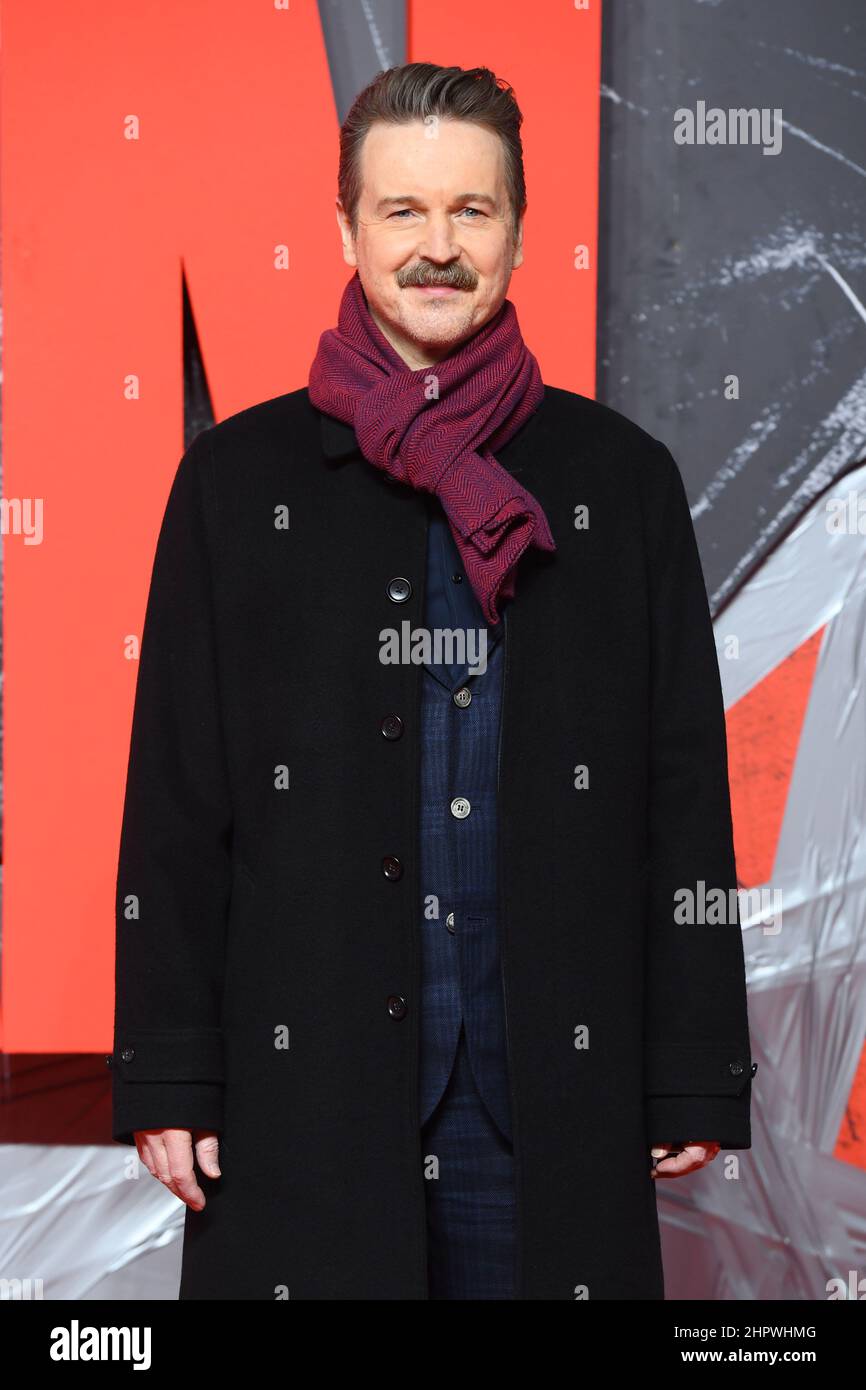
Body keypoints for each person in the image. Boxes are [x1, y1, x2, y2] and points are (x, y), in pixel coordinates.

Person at [109, 62, 756, 1300]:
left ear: (518, 231)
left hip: (547, 1108)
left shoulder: (618, 482)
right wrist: (171, 1070)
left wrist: (690, 1064)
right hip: (307, 1099)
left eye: (472, 210)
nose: (437, 247)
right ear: (346, 228)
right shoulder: (237, 485)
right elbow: (179, 805)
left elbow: (681, 796)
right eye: (403, 211)